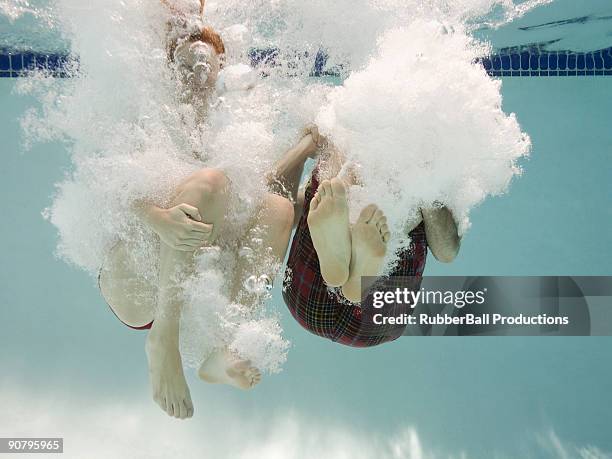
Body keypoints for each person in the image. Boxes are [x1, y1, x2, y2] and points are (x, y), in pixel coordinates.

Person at [98, 0, 320, 419]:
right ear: (168, 70)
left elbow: (263, 188)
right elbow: (112, 191)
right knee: (213, 181)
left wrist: (308, 145)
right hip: (139, 280)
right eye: (186, 67)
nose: (198, 76)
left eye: (207, 67)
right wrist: (159, 219)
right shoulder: (147, 111)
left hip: (187, 274)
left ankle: (221, 344)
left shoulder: (232, 123)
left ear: (221, 71)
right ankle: (164, 339)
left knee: (274, 206)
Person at [280, 133, 461, 347]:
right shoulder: (430, 143)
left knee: (342, 149)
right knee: (394, 188)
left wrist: (304, 149)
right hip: (377, 322)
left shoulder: (346, 121)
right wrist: (427, 184)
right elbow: (446, 252)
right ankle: (357, 275)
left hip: (304, 298)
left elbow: (283, 206)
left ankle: (347, 262)